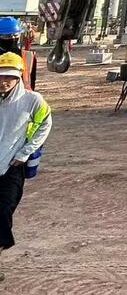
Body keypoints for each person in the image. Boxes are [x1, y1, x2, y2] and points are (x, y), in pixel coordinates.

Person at [0, 52, 51, 280]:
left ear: (19, 76)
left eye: (9, 77)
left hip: (11, 167)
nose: (4, 81)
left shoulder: (32, 101)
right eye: (0, 76)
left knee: (3, 212)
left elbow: (44, 124)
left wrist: (24, 153)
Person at [0, 17, 37, 91]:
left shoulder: (29, 56)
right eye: (7, 36)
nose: (12, 38)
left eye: (15, 35)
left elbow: (32, 80)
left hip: (22, 95)